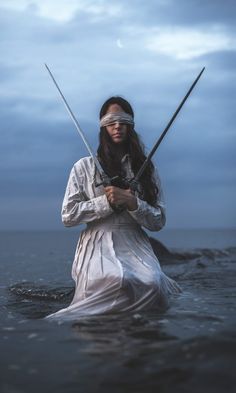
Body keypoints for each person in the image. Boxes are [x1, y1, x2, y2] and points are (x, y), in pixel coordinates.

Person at [46, 96, 180, 321]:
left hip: (134, 240)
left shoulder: (147, 168)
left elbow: (158, 222)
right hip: (97, 239)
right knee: (116, 280)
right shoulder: (83, 167)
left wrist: (133, 203)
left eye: (123, 121)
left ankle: (138, 339)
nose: (117, 126)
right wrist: (106, 202)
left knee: (151, 283)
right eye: (111, 121)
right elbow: (68, 216)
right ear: (103, 126)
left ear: (131, 125)